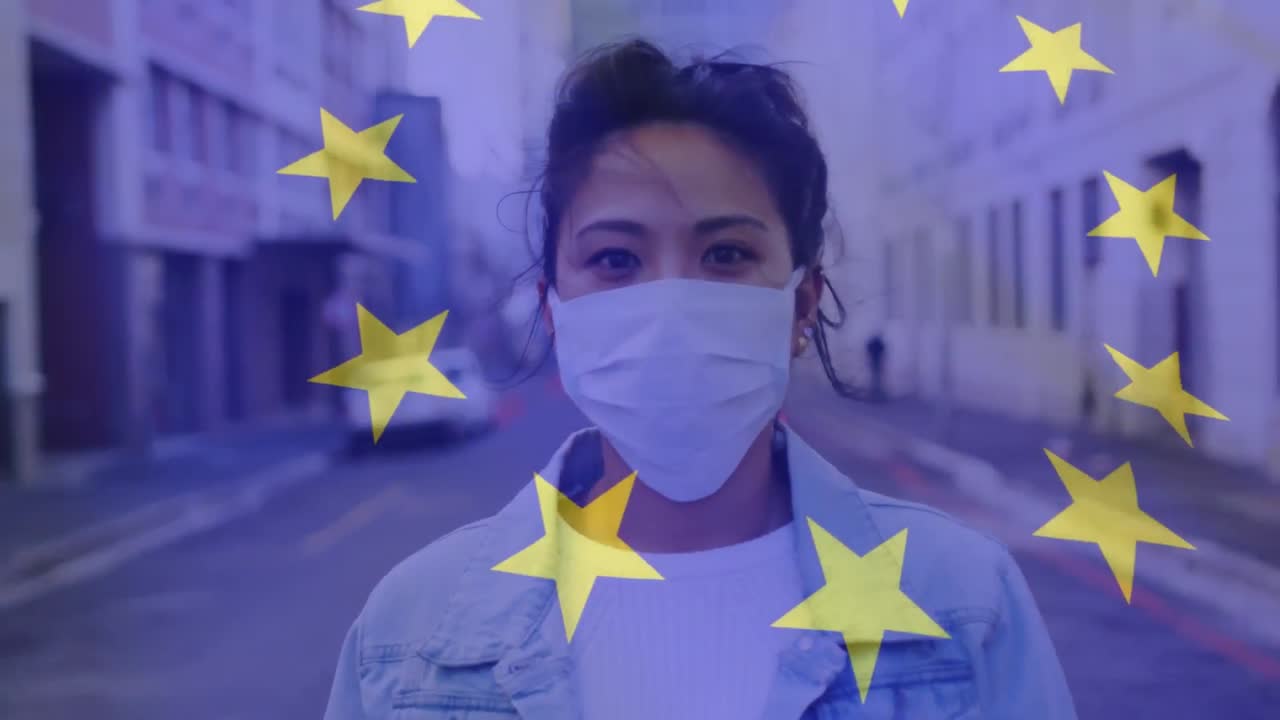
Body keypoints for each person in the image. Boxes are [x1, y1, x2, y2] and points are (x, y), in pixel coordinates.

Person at [323, 40, 1075, 719]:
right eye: (616, 259)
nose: (671, 307)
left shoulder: (964, 602)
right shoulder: (410, 635)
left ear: (800, 305)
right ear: (555, 310)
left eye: (726, 256)